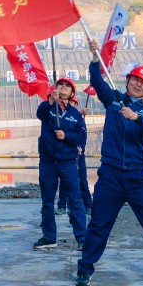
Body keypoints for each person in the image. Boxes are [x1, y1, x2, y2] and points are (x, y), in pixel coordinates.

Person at [73, 62, 143, 286]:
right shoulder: (113, 100)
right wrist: (94, 60)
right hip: (110, 175)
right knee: (99, 224)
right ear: (128, 80)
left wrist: (135, 117)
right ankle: (85, 269)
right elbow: (96, 81)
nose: (138, 85)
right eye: (135, 80)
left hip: (138, 177)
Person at [35, 77, 88, 251]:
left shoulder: (76, 115)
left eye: (67, 86)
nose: (63, 87)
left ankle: (82, 238)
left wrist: (66, 136)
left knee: (76, 200)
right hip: (48, 162)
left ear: (72, 93)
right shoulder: (48, 107)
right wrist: (50, 100)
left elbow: (81, 137)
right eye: (60, 85)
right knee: (47, 201)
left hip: (68, 163)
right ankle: (49, 237)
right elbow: (40, 114)